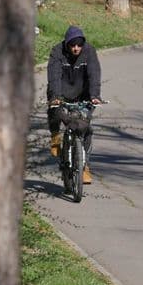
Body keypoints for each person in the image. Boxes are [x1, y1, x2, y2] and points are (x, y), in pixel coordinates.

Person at [46, 25, 102, 184]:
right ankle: (55, 136)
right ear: (66, 44)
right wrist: (55, 96)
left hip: (83, 95)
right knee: (54, 111)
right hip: (60, 93)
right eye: (72, 45)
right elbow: (54, 75)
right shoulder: (57, 52)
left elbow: (94, 74)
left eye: (79, 45)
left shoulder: (89, 51)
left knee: (86, 129)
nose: (76, 48)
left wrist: (95, 95)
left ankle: (84, 167)